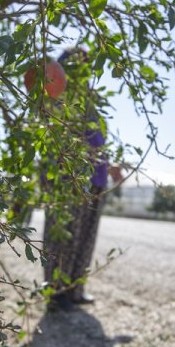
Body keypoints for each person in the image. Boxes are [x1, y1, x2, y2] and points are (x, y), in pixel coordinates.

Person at [43, 48, 123, 312]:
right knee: (63, 237)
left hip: (95, 180)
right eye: (77, 65)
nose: (84, 71)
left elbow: (94, 143)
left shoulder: (90, 103)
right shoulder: (58, 99)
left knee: (85, 237)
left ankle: (75, 289)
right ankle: (57, 293)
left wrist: (108, 167)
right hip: (69, 181)